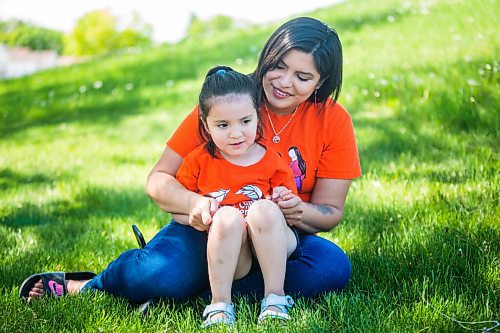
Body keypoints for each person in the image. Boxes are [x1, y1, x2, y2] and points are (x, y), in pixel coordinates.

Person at [20, 16, 361, 325]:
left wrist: (297, 209)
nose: (285, 82)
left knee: (329, 267)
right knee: (159, 273)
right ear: (267, 56)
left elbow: (330, 212)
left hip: (277, 238)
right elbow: (158, 180)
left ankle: (189, 296)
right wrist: (194, 204)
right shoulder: (229, 101)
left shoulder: (332, 120)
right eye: (279, 67)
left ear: (321, 81)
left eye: (303, 77)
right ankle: (89, 285)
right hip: (210, 230)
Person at [175, 65, 299, 326]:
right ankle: (220, 304)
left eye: (245, 121)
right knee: (227, 217)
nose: (236, 133)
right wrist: (194, 214)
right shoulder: (198, 162)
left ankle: (275, 298)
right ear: (205, 126)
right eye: (223, 125)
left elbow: (289, 207)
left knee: (263, 210)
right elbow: (180, 207)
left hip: (273, 244)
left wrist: (282, 199)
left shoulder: (271, 159)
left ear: (258, 117)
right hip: (235, 255)